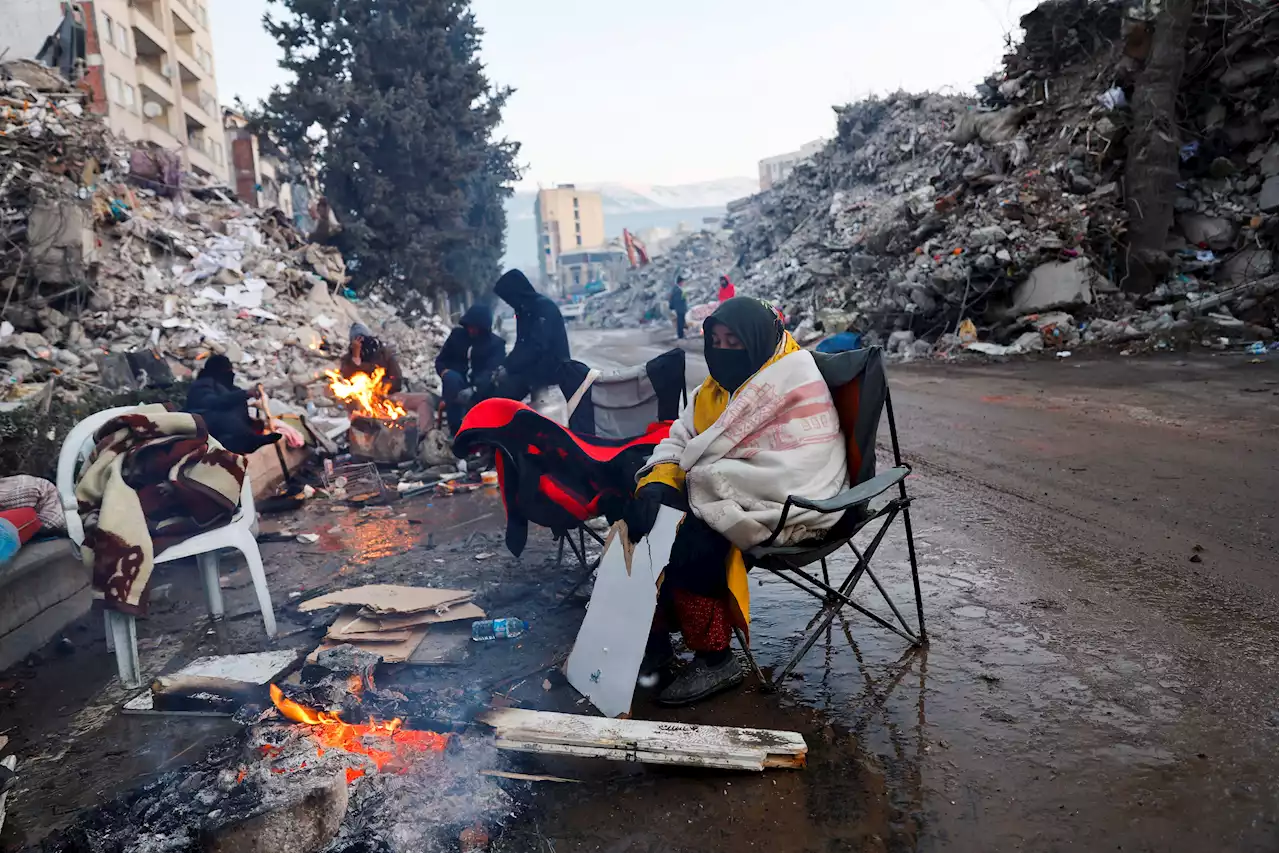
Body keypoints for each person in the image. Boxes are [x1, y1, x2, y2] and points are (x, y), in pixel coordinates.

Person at [623, 297, 849, 706]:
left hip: (794, 505)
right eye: (716, 340)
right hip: (724, 489)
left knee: (691, 536)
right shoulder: (711, 390)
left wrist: (696, 485)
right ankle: (654, 642)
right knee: (645, 510)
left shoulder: (791, 378)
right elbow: (681, 438)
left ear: (760, 340)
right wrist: (660, 480)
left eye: (735, 341)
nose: (723, 350)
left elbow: (801, 465)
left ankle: (716, 658)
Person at [492, 269, 571, 401]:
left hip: (551, 369)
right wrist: (505, 365)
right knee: (498, 394)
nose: (508, 302)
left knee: (504, 396)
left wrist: (509, 367)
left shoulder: (542, 307)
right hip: (532, 368)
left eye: (508, 298)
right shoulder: (524, 309)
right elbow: (521, 344)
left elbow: (537, 345)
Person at [185, 355, 282, 455]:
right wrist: (243, 394)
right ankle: (248, 441)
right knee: (224, 418)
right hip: (202, 422)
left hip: (225, 430)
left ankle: (247, 438)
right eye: (227, 369)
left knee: (236, 408)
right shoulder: (202, 384)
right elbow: (212, 402)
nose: (231, 373)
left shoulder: (231, 388)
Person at [435, 303, 507, 433]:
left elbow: (491, 372)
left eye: (476, 328)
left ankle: (477, 431)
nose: (472, 330)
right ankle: (456, 430)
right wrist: (444, 372)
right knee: (451, 379)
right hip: (457, 384)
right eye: (470, 327)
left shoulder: (496, 345)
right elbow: (441, 360)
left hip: (481, 387)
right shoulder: (457, 336)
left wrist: (474, 388)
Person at [340, 322, 403, 393]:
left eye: (364, 338)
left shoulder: (384, 354)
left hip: (384, 394)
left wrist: (378, 386)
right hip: (361, 396)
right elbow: (347, 379)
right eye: (358, 340)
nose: (362, 343)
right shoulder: (348, 359)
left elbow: (397, 381)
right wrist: (356, 357)